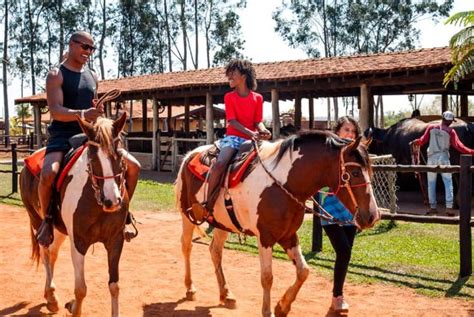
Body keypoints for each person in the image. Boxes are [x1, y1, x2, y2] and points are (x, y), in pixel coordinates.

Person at [36, 31, 141, 247]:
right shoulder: (56, 75)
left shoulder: (92, 75)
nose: (88, 52)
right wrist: (84, 114)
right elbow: (55, 111)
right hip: (63, 136)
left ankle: (124, 214)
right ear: (71, 44)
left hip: (91, 135)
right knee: (48, 173)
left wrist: (96, 113)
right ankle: (46, 220)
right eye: (85, 47)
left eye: (92, 49)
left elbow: (92, 108)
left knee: (134, 166)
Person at [192, 59, 271, 221]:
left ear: (243, 76)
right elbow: (232, 121)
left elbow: (258, 121)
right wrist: (252, 133)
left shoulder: (258, 98)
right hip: (234, 138)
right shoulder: (229, 97)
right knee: (220, 164)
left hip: (252, 139)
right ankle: (208, 204)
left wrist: (263, 130)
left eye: (233, 73)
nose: (229, 76)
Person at [317, 116, 360, 313]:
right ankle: (338, 296)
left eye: (353, 131)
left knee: (346, 253)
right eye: (346, 130)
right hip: (329, 210)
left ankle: (337, 294)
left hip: (350, 211)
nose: (350, 134)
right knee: (343, 251)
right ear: (337, 132)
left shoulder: (357, 156)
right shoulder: (327, 154)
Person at [412, 110, 474, 216]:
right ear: (449, 121)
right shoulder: (451, 131)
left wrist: (416, 142)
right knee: (448, 183)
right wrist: (472, 152)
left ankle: (433, 208)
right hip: (444, 158)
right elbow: (458, 146)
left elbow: (422, 141)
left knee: (431, 184)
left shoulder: (431, 128)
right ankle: (449, 208)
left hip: (431, 158)